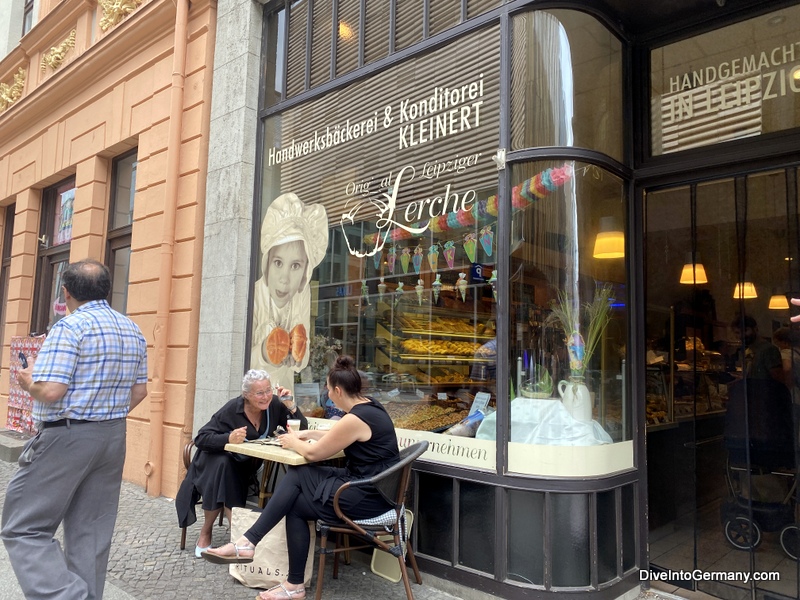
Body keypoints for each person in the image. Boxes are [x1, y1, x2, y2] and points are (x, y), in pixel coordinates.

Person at [1, 259, 148, 600]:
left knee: (24, 527)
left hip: (66, 436)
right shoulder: (131, 329)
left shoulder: (69, 328)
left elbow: (51, 390)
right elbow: (140, 392)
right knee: (91, 532)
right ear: (107, 291)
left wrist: (27, 381)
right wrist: (103, 414)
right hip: (112, 435)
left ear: (65, 293)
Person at [202, 356, 400, 600]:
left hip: (367, 495)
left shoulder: (355, 418)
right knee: (295, 505)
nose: (327, 394)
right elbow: (337, 435)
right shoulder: (369, 406)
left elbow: (314, 454)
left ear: (338, 390)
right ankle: (289, 581)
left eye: (328, 389)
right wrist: (309, 432)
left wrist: (294, 441)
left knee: (298, 474)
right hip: (371, 486)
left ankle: (250, 545)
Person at [175, 369, 307, 556]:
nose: (266, 396)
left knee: (227, 469)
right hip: (210, 463)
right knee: (223, 466)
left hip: (243, 467)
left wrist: (291, 405)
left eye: (268, 390)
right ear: (246, 395)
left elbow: (302, 430)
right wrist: (228, 438)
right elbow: (202, 438)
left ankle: (226, 536)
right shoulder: (232, 409)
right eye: (259, 393)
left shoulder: (275, 405)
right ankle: (216, 534)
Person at [250, 193, 329, 391]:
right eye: (278, 263)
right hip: (252, 395)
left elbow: (304, 355)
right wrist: (264, 353)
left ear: (305, 272)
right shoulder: (254, 294)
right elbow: (235, 357)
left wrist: (297, 357)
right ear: (267, 262)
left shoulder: (301, 295)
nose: (284, 277)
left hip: (283, 394)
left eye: (295, 266)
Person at [730, 314, 783, 382]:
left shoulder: (769, 349)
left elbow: (778, 380)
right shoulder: (748, 351)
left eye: (745, 330)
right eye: (737, 333)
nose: (741, 335)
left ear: (755, 329)